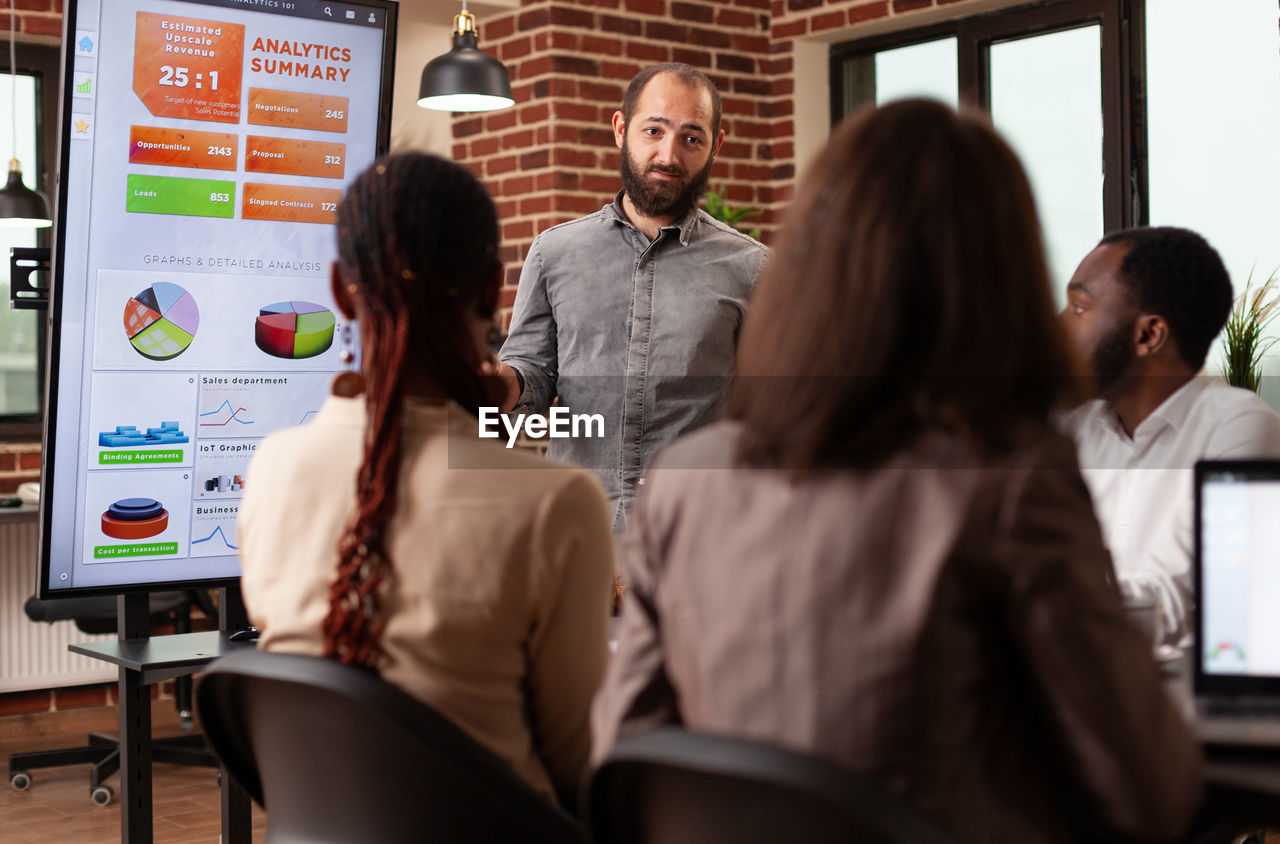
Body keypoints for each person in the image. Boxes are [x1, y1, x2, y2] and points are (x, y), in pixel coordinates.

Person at [592, 100, 1202, 843]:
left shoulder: (685, 479)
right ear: (1001, 273)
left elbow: (626, 756)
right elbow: (1148, 788)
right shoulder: (1008, 478)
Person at [238, 152, 615, 808]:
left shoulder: (272, 470)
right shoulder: (556, 502)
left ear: (336, 290)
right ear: (493, 287)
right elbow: (581, 766)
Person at [493, 62, 769, 530]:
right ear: (621, 129)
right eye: (654, 130)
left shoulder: (754, 268)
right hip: (578, 529)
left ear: (714, 147)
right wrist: (497, 385)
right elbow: (534, 379)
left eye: (691, 138)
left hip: (699, 532)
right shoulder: (553, 252)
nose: (669, 154)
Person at [1060, 227, 1280, 645]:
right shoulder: (1073, 429)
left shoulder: (1240, 427)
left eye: (1078, 308)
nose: (1058, 324)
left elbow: (1180, 600)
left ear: (1149, 335)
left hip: (1183, 702)